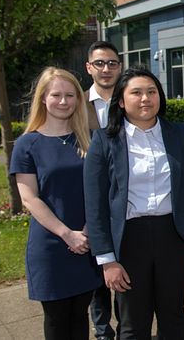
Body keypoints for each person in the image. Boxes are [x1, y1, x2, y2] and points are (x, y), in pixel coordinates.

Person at [83, 67, 184, 340]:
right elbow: (95, 205)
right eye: (136, 92)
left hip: (172, 236)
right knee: (133, 323)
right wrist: (107, 260)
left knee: (173, 316)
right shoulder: (104, 141)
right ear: (121, 101)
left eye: (151, 92)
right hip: (128, 239)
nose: (145, 98)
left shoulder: (179, 134)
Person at [10, 67, 102, 340]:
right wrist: (67, 234)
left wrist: (87, 230)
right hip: (51, 246)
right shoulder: (27, 144)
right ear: (43, 99)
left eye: (70, 95)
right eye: (56, 95)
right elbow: (29, 198)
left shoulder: (89, 140)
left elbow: (100, 188)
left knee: (80, 316)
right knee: (57, 319)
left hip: (86, 242)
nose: (64, 101)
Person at [84, 40, 122, 340]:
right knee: (99, 270)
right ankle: (101, 330)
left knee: (124, 267)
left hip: (125, 200)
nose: (106, 69)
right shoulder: (77, 104)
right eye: (100, 63)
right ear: (89, 67)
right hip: (93, 198)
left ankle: (127, 325)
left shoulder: (131, 100)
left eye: (111, 63)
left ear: (119, 67)